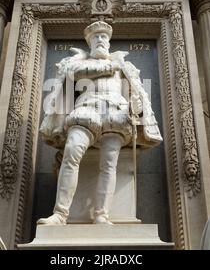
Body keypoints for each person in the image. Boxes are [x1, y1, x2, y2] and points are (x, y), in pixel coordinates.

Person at [38, 21, 162, 225]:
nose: (100, 40)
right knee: (71, 153)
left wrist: (136, 107)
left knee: (109, 165)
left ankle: (101, 214)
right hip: (86, 110)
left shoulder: (125, 67)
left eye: (104, 37)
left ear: (109, 41)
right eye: (96, 37)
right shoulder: (78, 64)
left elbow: (134, 93)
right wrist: (111, 65)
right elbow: (72, 75)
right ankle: (60, 214)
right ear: (90, 42)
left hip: (116, 114)